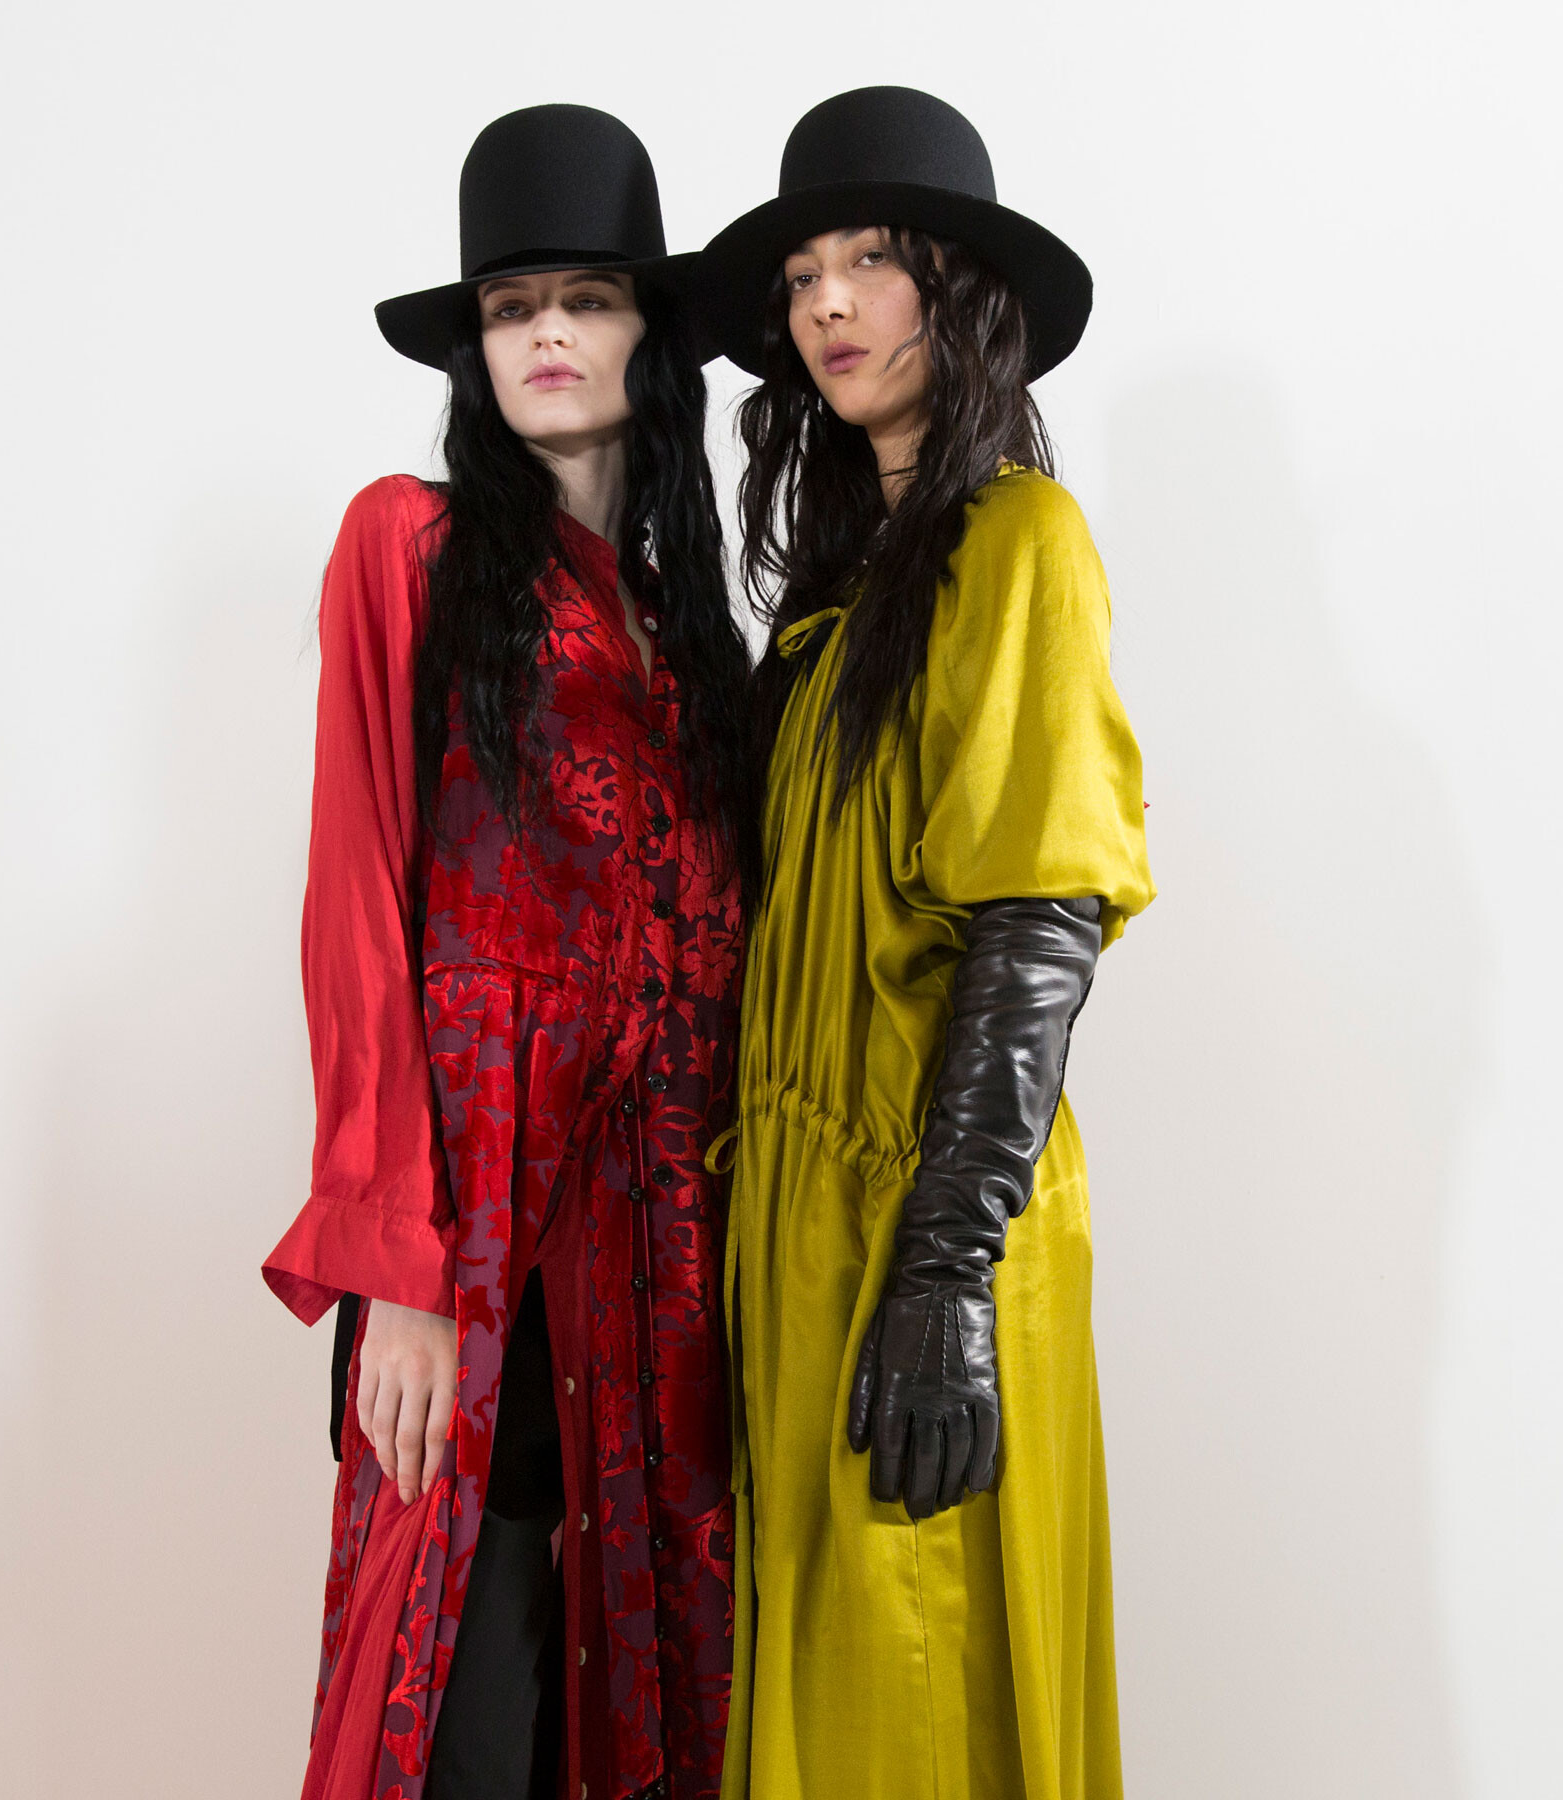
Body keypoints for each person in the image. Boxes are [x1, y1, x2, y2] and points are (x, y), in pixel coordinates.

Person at [262, 104, 752, 1800]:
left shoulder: (687, 627)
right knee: (456, 1713)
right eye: (510, 305)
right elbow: (356, 910)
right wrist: (396, 1268)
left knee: (627, 1721)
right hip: (471, 1241)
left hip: (662, 1258)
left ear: (646, 336)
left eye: (588, 299)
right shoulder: (408, 544)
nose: (546, 333)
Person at [693, 86, 1155, 1800]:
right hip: (805, 1231)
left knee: (926, 1694)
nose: (827, 303)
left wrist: (944, 1274)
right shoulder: (837, 604)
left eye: (870, 261)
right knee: (826, 1705)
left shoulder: (1020, 544)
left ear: (956, 293)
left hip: (927, 1221)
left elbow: (1039, 918)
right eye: (803, 273)